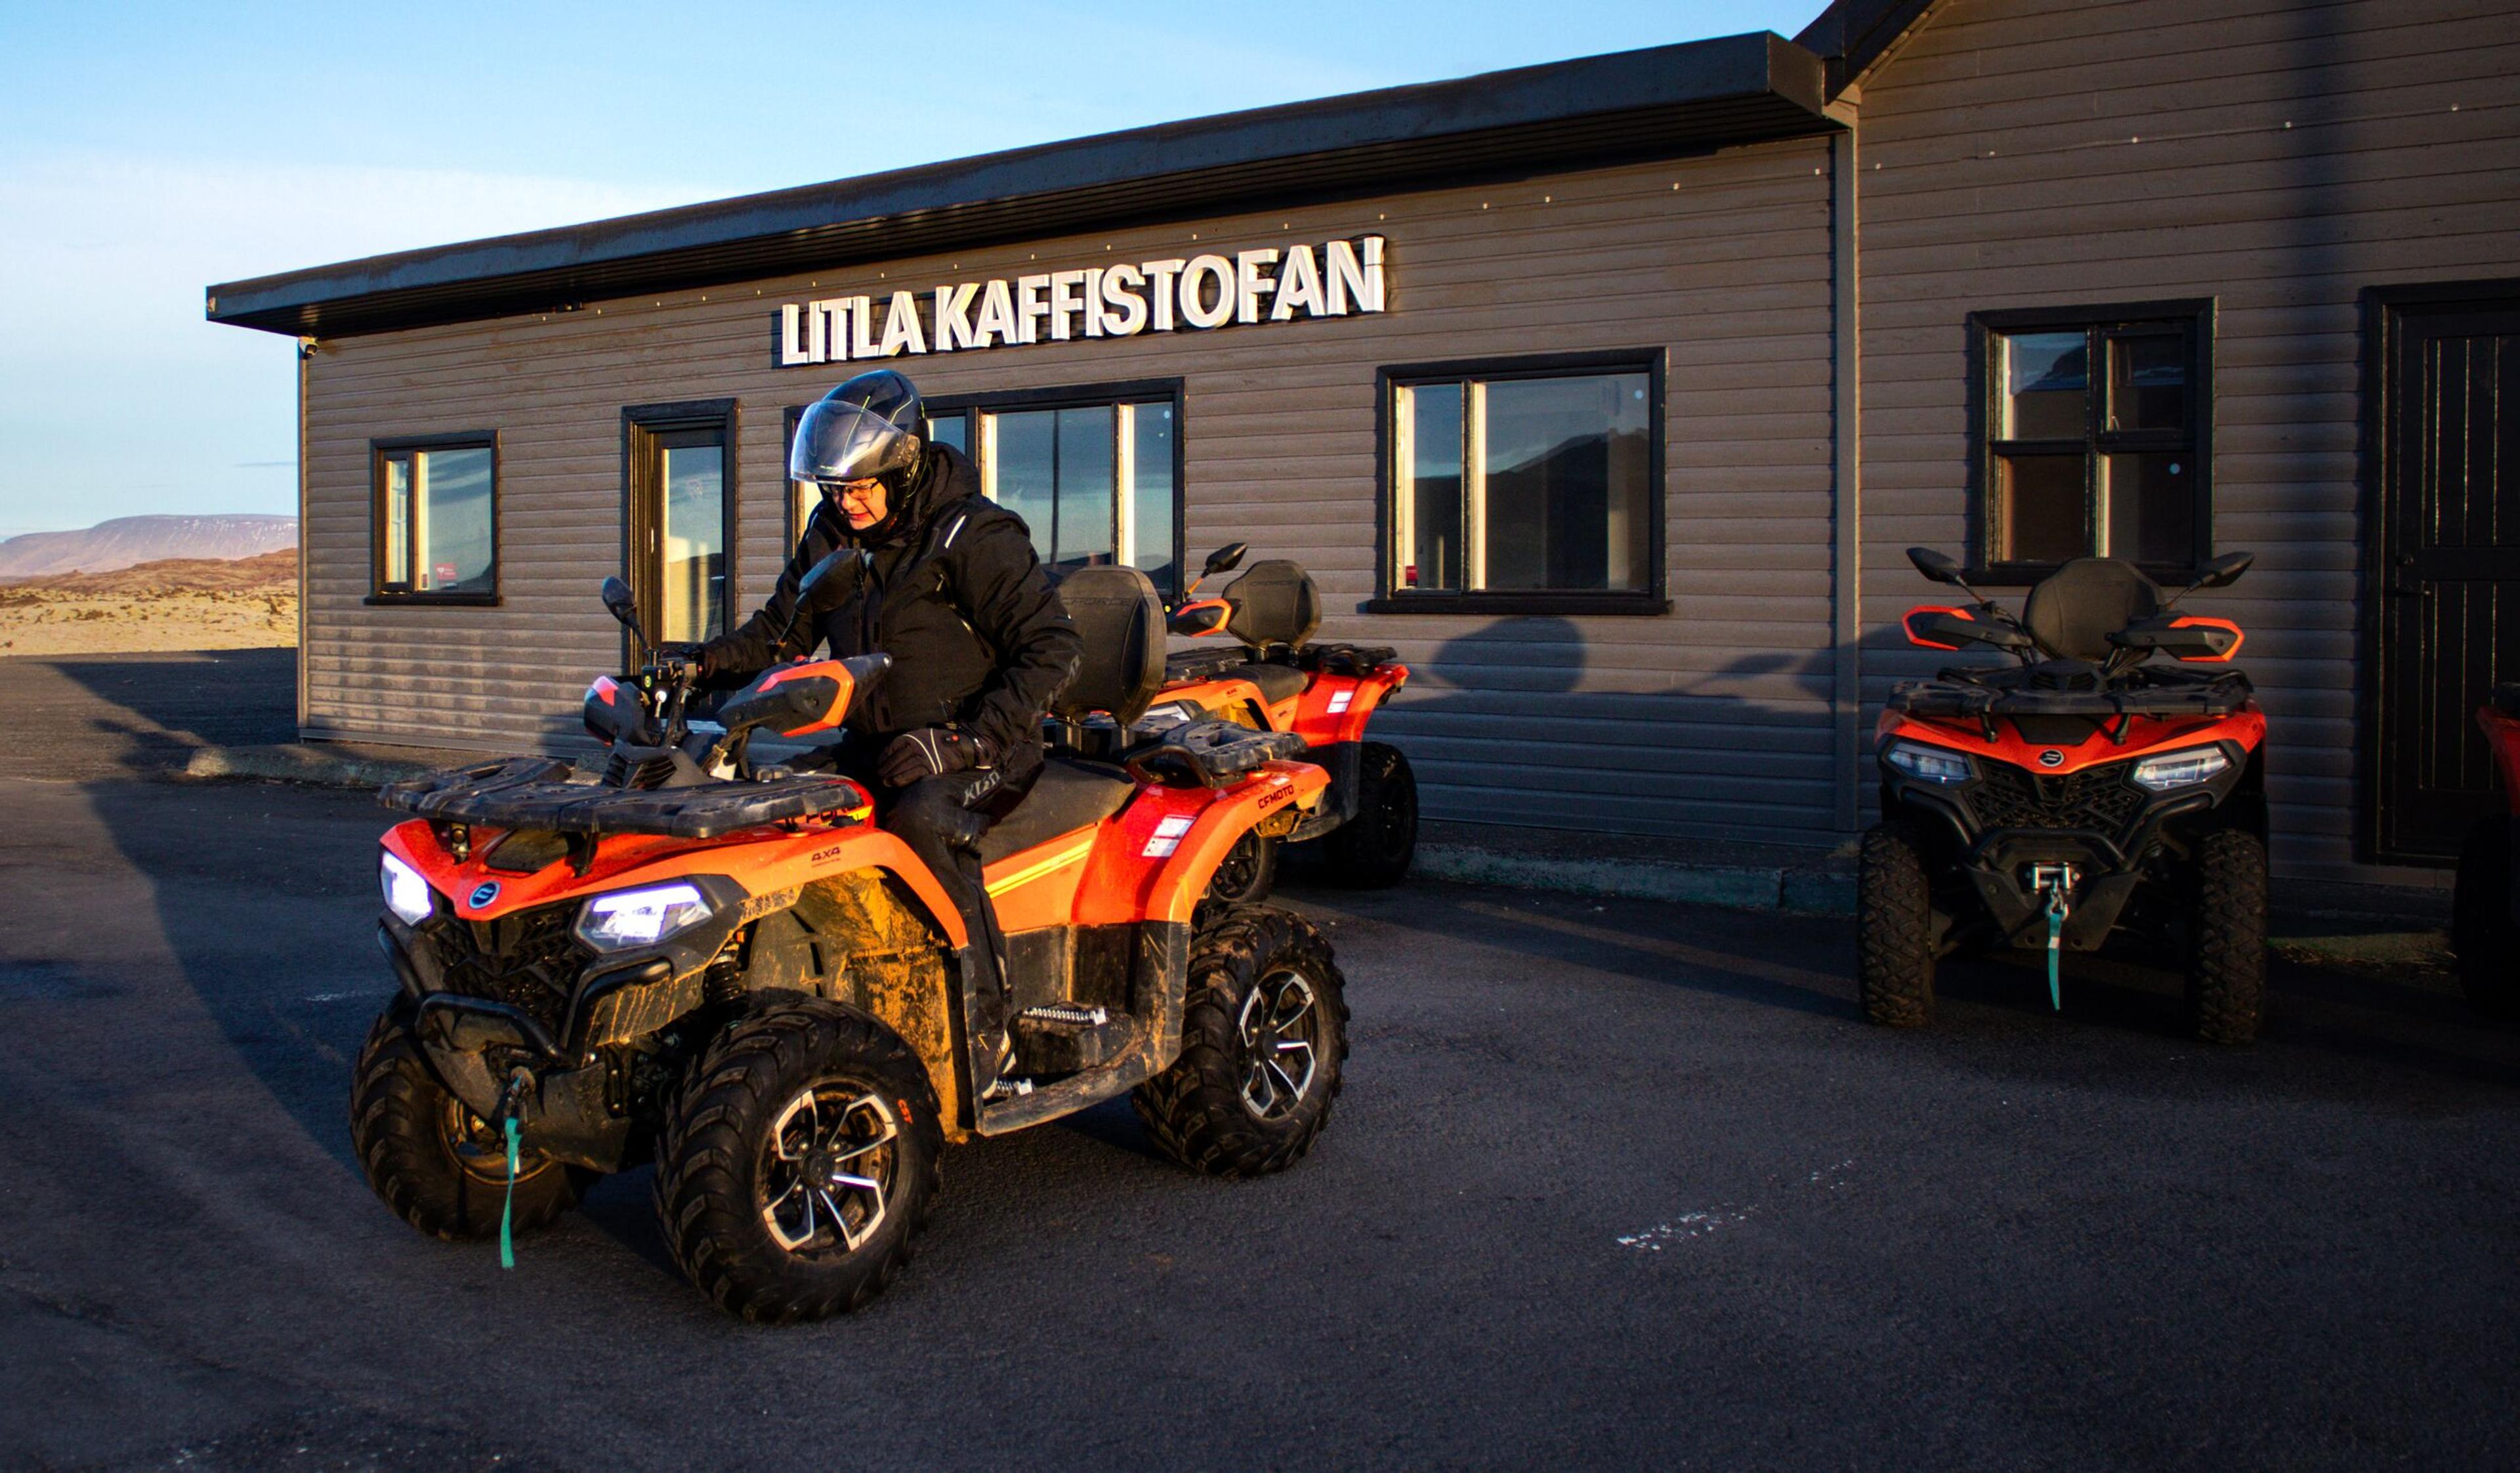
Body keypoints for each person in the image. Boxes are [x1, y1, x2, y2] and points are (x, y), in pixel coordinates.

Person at [679, 368, 1081, 1096]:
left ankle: (990, 1035)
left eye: (862, 488)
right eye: (836, 490)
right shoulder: (833, 533)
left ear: (904, 463)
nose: (849, 503)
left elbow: (1052, 647)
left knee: (921, 819)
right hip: (881, 743)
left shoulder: (972, 535)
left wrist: (966, 741)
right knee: (785, 810)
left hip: (982, 746)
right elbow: (778, 636)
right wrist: (695, 664)